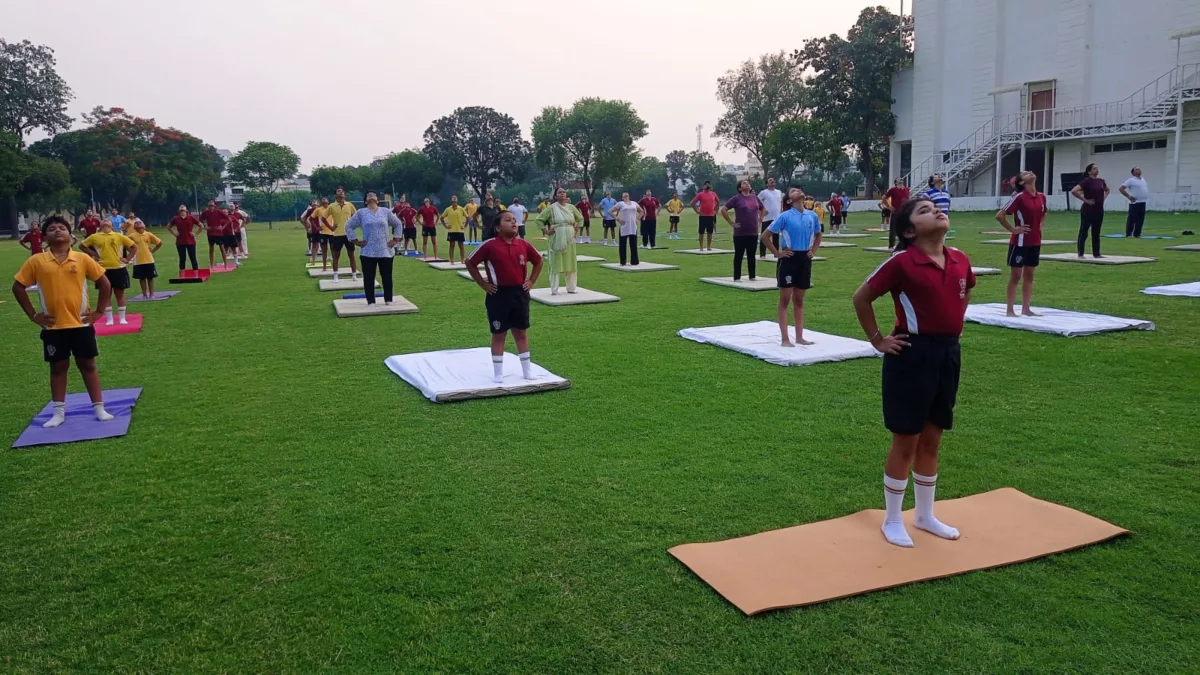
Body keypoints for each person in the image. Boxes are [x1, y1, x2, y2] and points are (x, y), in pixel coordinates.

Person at [851, 196, 975, 549]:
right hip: (911, 354)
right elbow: (861, 297)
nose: (936, 211)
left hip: (948, 353)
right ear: (908, 231)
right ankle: (892, 518)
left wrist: (952, 329)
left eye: (936, 208)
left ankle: (924, 515)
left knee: (933, 436)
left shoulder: (960, 259)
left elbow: (963, 294)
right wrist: (878, 340)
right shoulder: (902, 262)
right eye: (924, 211)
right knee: (906, 438)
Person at [12, 216, 115, 428]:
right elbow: (18, 287)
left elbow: (104, 284)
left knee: (88, 365)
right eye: (51, 229)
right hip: (53, 327)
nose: (57, 231)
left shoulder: (82, 258)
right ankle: (58, 412)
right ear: (45, 237)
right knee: (58, 367)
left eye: (62, 228)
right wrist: (34, 315)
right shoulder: (36, 261)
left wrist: (98, 312)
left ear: (70, 235)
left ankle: (99, 408)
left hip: (80, 325)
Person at [465, 211, 544, 383]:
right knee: (499, 333)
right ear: (498, 227)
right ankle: (498, 373)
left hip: (520, 294)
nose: (514, 223)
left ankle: (527, 370)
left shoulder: (523, 244)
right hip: (498, 295)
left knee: (521, 332)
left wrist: (531, 280)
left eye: (515, 220)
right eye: (508, 220)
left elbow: (538, 261)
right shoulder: (490, 245)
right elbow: (469, 261)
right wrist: (482, 283)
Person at [761, 185, 822, 346]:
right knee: (785, 300)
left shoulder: (812, 215)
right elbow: (765, 236)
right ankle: (785, 338)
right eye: (793, 191)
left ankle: (800, 337)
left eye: (798, 189)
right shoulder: (785, 216)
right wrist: (777, 253)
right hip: (789, 259)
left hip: (804, 259)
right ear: (789, 200)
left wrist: (813, 251)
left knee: (799, 300)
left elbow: (818, 234)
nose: (798, 191)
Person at [996, 170, 1046, 318]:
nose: (1030, 172)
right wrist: (1013, 229)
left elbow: (1044, 212)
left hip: (1035, 241)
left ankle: (1026, 308)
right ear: (1021, 182)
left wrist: (1041, 224)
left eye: (1030, 171)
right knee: (1016, 276)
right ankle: (1010, 310)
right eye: (1025, 173)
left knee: (1029, 276)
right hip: (1020, 242)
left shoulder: (1041, 196)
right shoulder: (1019, 197)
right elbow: (1000, 215)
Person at [344, 191, 404, 306]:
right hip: (368, 251)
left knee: (387, 276)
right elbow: (348, 226)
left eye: (374, 195)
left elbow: (398, 224)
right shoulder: (361, 213)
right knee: (369, 277)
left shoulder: (386, 212)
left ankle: (388, 300)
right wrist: (355, 241)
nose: (371, 196)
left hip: (385, 250)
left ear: (378, 199)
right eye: (368, 195)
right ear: (365, 200)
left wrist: (396, 239)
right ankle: (371, 301)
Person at [80, 218, 137, 326]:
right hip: (102, 269)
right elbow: (82, 245)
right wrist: (93, 253)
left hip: (119, 268)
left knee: (119, 293)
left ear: (112, 225)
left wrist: (128, 258)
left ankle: (122, 318)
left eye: (107, 220)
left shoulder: (118, 236)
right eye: (103, 220)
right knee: (106, 294)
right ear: (100, 225)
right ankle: (109, 319)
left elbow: (134, 247)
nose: (105, 221)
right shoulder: (94, 237)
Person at [534, 187, 583, 294]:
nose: (562, 194)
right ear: (555, 196)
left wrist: (577, 227)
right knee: (555, 262)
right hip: (556, 237)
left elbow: (580, 218)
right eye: (559, 192)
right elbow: (539, 219)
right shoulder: (551, 208)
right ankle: (554, 289)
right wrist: (545, 231)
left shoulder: (571, 207)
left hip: (569, 238)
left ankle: (571, 288)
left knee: (570, 262)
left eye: (564, 192)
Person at [722, 179, 764, 282]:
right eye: (744, 183)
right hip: (740, 233)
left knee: (751, 255)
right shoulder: (736, 199)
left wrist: (760, 219)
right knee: (739, 255)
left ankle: (752, 276)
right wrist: (732, 223)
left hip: (753, 231)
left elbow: (763, 208)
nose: (747, 184)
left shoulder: (755, 198)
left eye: (747, 183)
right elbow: (724, 210)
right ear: (740, 188)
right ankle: (737, 277)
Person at [1071, 164, 1109, 258]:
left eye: (1097, 168)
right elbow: (1074, 191)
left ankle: (1096, 253)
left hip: (1099, 209)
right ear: (1089, 171)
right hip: (1088, 210)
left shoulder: (1101, 181)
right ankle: (1080, 253)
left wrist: (1104, 197)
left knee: (1096, 232)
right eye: (1094, 168)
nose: (1096, 170)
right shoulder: (1087, 181)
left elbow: (1107, 190)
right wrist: (1085, 200)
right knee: (1084, 230)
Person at [325, 186, 359, 281]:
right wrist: (330, 227)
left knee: (351, 255)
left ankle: (354, 275)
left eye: (342, 191)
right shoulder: (331, 206)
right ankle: (335, 276)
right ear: (336, 194)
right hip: (337, 235)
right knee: (336, 256)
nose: (340, 193)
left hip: (349, 234)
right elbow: (323, 218)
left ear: (344, 194)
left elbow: (356, 216)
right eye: (338, 191)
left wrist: (353, 226)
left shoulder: (349, 205)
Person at [127, 219, 164, 299]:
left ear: (144, 225)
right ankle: (144, 294)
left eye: (140, 222)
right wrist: (132, 252)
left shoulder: (148, 234)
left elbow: (159, 242)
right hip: (138, 260)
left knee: (150, 277)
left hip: (149, 259)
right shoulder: (131, 236)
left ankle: (152, 294)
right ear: (134, 226)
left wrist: (153, 251)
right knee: (141, 278)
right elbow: (125, 245)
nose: (138, 224)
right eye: (136, 223)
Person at [610, 192, 643, 266]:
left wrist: (638, 219)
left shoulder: (634, 203)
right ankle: (623, 261)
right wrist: (618, 219)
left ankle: (634, 261)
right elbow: (610, 211)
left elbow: (641, 211)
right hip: (624, 226)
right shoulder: (620, 203)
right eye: (624, 195)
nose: (626, 195)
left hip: (633, 226)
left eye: (627, 194)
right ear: (622, 197)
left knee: (633, 244)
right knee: (622, 245)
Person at [167, 205, 201, 272]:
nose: (182, 212)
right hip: (180, 242)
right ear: (179, 212)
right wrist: (174, 233)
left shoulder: (191, 217)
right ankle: (182, 275)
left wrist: (195, 234)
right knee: (182, 259)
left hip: (191, 241)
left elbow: (201, 226)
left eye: (183, 211)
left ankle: (196, 274)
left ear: (186, 211)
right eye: (181, 211)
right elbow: (168, 226)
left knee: (193, 258)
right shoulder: (176, 218)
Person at [199, 200, 232, 270]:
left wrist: (222, 227)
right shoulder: (205, 212)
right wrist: (205, 227)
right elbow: (200, 220)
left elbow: (229, 219)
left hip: (218, 233)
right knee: (211, 249)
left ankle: (226, 265)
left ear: (215, 206)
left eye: (212, 206)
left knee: (222, 248)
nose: (211, 207)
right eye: (209, 206)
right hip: (210, 233)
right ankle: (211, 266)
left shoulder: (218, 211)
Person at [1119, 166, 1149, 238]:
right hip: (1135, 202)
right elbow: (1121, 189)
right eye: (1136, 169)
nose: (1138, 170)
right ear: (1133, 172)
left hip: (1143, 202)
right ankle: (1129, 233)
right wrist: (1129, 196)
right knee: (1132, 218)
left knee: (1140, 219)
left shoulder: (1143, 180)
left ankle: (1137, 234)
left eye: (1139, 169)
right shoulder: (1131, 180)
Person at [757, 178, 783, 258]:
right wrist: (761, 212)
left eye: (774, 180)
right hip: (767, 218)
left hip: (776, 217)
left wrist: (781, 211)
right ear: (767, 184)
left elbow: (780, 202)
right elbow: (756, 202)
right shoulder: (764, 192)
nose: (772, 181)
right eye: (770, 181)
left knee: (776, 236)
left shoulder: (779, 192)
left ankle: (776, 253)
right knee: (764, 236)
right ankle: (762, 254)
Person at [691, 181, 719, 251]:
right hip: (703, 216)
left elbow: (718, 202)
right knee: (701, 232)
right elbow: (692, 203)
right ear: (703, 186)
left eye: (708, 184)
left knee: (710, 232)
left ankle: (708, 247)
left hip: (711, 215)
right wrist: (697, 211)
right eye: (705, 184)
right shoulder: (700, 194)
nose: (707, 185)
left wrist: (715, 210)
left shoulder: (713, 194)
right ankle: (701, 247)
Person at [440, 195, 469, 263]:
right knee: (451, 246)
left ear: (457, 200)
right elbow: (441, 218)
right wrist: (446, 226)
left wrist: (465, 226)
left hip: (459, 230)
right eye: (453, 199)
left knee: (461, 246)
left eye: (455, 199)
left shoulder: (461, 209)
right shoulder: (448, 209)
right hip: (451, 230)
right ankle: (452, 260)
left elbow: (467, 217)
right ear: (451, 200)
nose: (454, 200)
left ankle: (462, 260)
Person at [884, 179, 911, 247]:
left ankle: (904, 244)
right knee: (893, 229)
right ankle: (891, 245)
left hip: (905, 212)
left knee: (905, 229)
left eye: (901, 179)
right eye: (899, 179)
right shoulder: (893, 189)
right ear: (896, 182)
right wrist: (889, 206)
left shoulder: (907, 189)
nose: (901, 180)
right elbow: (884, 198)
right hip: (896, 212)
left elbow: (908, 199)